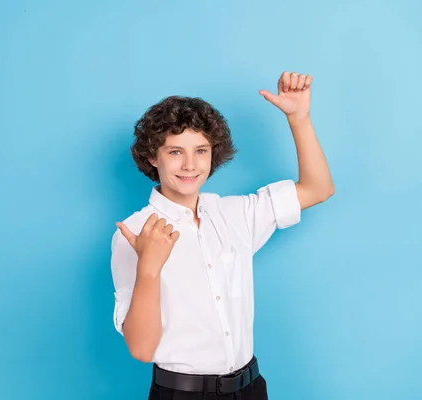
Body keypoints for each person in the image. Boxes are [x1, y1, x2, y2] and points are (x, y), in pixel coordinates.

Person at [110, 71, 335, 400]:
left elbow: (318, 188)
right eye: (175, 152)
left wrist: (298, 118)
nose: (190, 164)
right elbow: (142, 350)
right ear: (151, 157)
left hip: (251, 388)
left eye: (200, 150)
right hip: (182, 393)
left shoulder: (235, 213)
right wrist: (149, 266)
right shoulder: (135, 232)